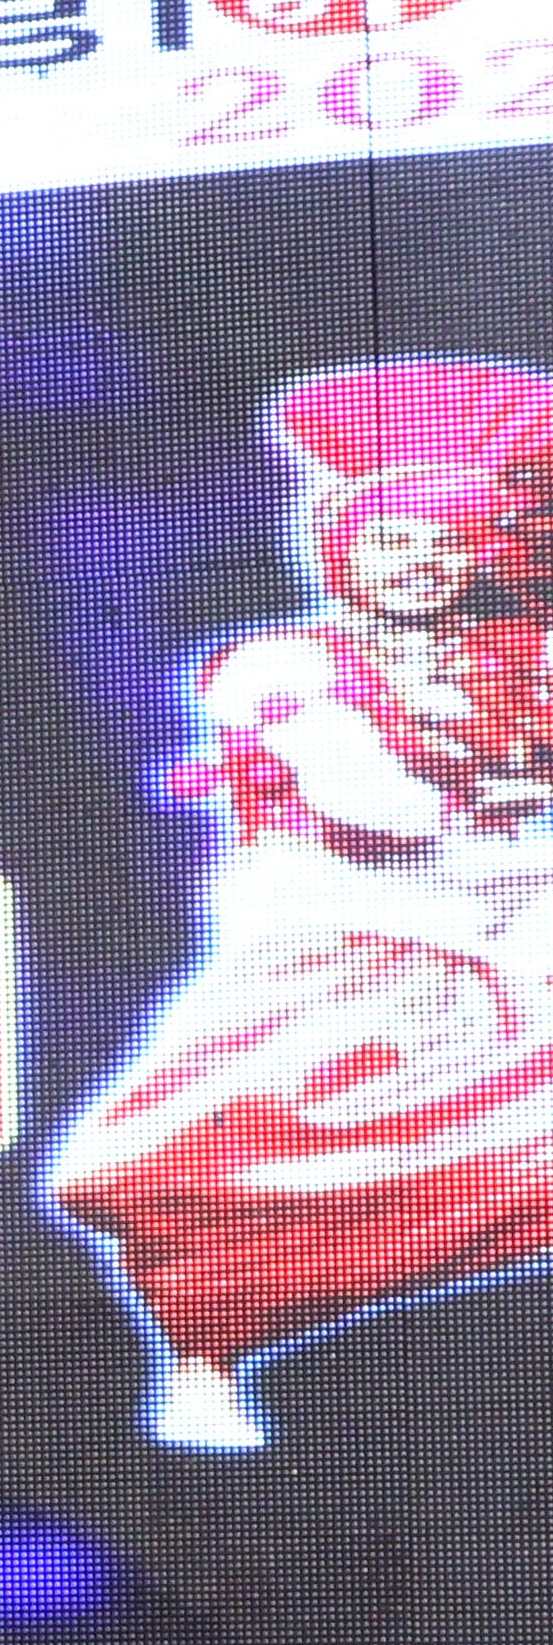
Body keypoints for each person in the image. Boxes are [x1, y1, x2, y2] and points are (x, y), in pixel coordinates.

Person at [47, 356, 553, 1451]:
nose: (420, 565)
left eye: (448, 544)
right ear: (344, 547)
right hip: (338, 947)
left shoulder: (518, 662)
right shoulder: (282, 665)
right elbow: (381, 807)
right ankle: (203, 1361)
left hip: (507, 941)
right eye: (395, 541)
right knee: (215, 1160)